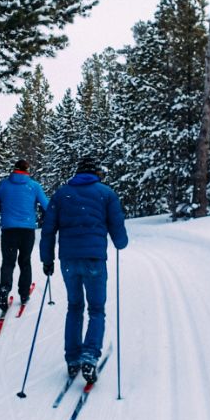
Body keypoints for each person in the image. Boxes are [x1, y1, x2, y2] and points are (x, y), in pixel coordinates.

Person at [40, 156, 128, 384]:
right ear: (97, 172)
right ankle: (90, 355)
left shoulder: (61, 194)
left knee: (74, 307)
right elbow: (118, 230)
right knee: (97, 309)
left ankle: (72, 359)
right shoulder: (106, 194)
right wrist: (120, 242)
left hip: (69, 259)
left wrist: (46, 259)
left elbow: (48, 230)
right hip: (94, 259)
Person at [0, 159, 49, 311]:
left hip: (9, 230)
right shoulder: (34, 186)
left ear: (14, 169)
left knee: (8, 263)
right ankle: (23, 294)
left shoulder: (4, 184)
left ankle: (4, 290)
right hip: (27, 230)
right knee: (25, 262)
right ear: (28, 171)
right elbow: (47, 206)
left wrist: (1, 207)